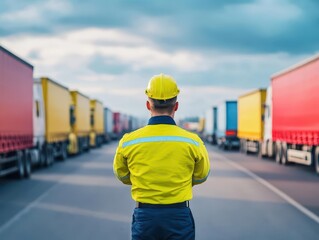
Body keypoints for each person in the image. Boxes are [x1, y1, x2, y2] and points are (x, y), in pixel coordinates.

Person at [113, 73, 210, 240]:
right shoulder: (192, 142)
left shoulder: (128, 142)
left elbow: (121, 174)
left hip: (145, 217)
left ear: (148, 105)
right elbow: (202, 175)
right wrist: (181, 181)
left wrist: (142, 180)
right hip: (179, 217)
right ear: (176, 106)